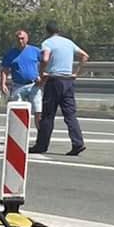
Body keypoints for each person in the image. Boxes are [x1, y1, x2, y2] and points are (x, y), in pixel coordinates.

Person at [31, 21, 87, 156]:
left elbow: (44, 59)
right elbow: (85, 56)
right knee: (70, 115)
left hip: (54, 80)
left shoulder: (47, 43)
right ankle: (78, 143)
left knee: (48, 115)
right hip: (68, 81)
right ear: (59, 30)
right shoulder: (68, 42)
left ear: (47, 31)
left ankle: (42, 145)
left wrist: (42, 73)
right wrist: (76, 73)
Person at [0, 28, 41, 118]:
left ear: (27, 39)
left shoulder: (35, 51)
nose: (20, 41)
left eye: (22, 38)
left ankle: (41, 131)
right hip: (18, 86)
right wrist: (3, 84)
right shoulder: (10, 53)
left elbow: (45, 63)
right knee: (17, 113)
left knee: (38, 112)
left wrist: (41, 76)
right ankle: (18, 131)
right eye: (18, 39)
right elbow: (5, 69)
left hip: (33, 85)